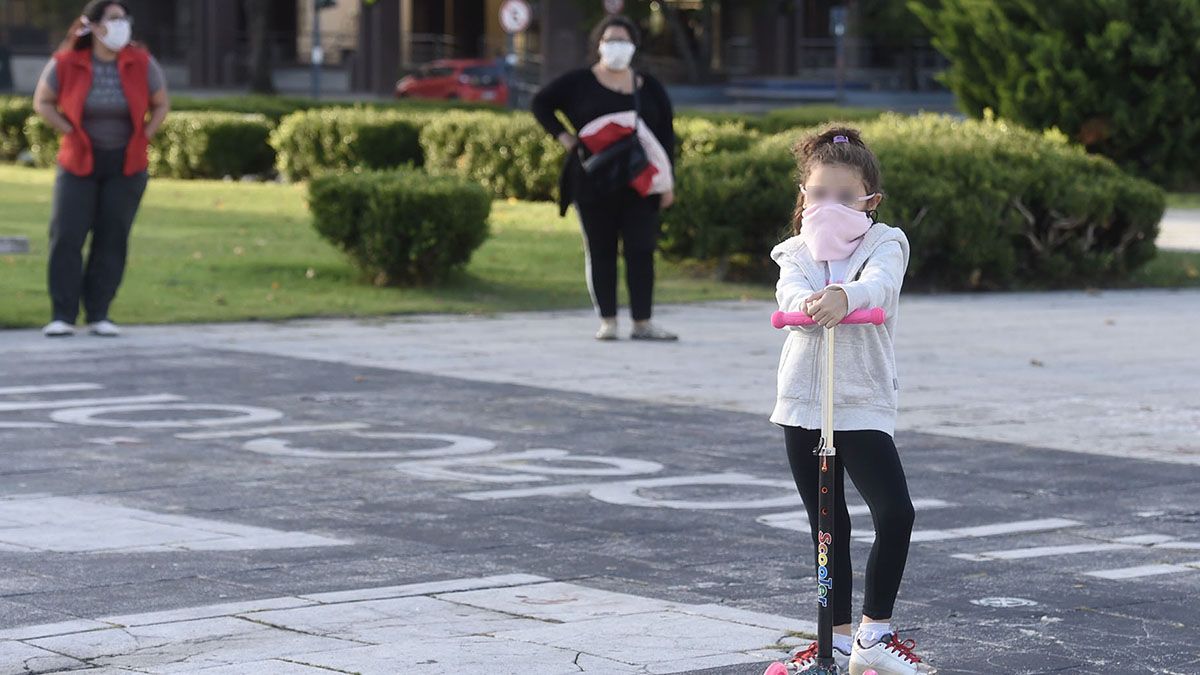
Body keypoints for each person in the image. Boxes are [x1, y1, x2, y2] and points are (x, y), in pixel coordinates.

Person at [771, 127, 935, 674]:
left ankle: (874, 634)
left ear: (871, 201)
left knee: (895, 512)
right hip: (803, 405)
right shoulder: (793, 252)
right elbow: (790, 296)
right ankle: (835, 640)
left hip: (860, 402)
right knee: (827, 523)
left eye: (845, 197)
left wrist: (848, 295)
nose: (829, 206)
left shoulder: (885, 242)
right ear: (803, 198)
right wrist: (811, 302)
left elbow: (883, 286)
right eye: (818, 195)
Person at [531, 14, 678, 342]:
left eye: (623, 41)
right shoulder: (579, 82)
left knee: (641, 251)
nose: (616, 47)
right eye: (610, 40)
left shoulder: (648, 87)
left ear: (634, 47)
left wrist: (669, 182)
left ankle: (643, 322)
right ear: (598, 44)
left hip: (641, 183)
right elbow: (540, 103)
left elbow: (666, 136)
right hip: (592, 183)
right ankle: (608, 321)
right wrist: (565, 138)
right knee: (600, 250)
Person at [33, 0, 169, 338]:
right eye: (113, 19)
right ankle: (63, 314)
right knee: (67, 235)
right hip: (79, 160)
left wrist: (145, 135)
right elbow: (42, 101)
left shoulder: (141, 61)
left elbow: (161, 102)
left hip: (126, 164)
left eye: (124, 19)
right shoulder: (67, 61)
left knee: (112, 237)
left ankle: (99, 313)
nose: (122, 25)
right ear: (93, 26)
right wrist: (68, 130)